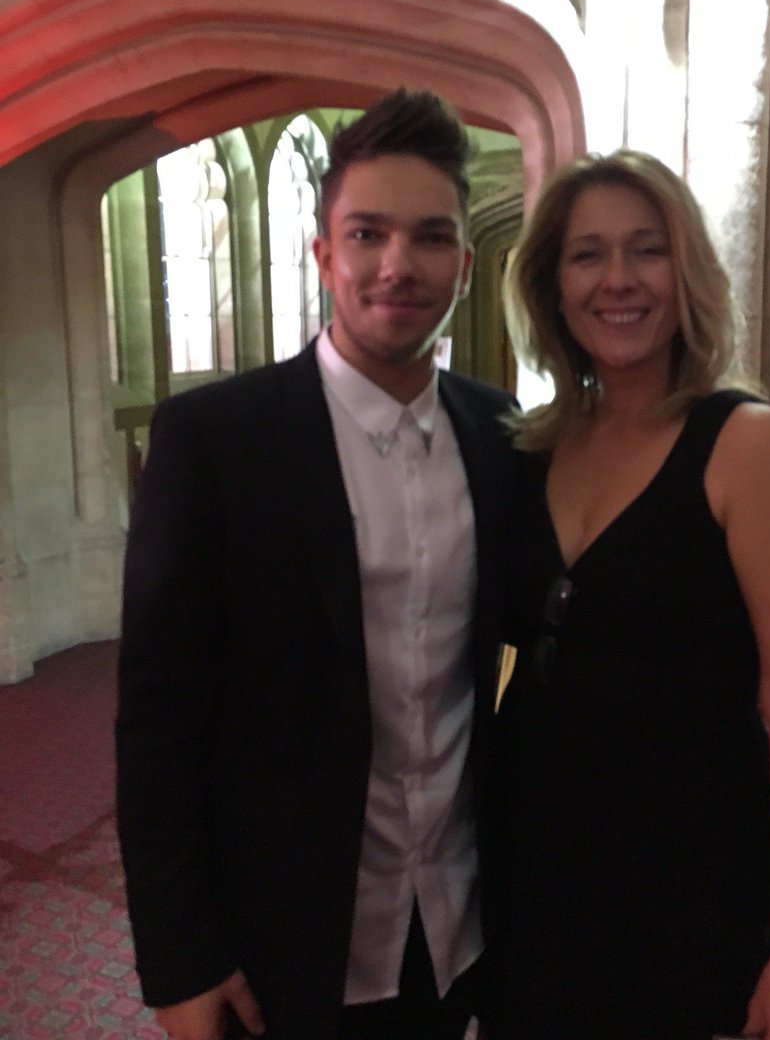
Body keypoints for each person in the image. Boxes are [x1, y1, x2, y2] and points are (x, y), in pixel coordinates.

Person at [115, 88, 518, 1040]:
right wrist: (181, 958)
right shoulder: (217, 440)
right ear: (323, 252)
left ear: (464, 264)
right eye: (367, 233)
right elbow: (158, 722)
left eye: (428, 238)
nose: (396, 265)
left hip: (456, 924)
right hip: (286, 937)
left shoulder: (500, 434)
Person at [492, 150, 770, 1040]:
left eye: (646, 251)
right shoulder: (534, 447)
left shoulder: (746, 445)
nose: (618, 280)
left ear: (684, 273)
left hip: (692, 894)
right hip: (534, 887)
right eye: (587, 255)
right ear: (551, 285)